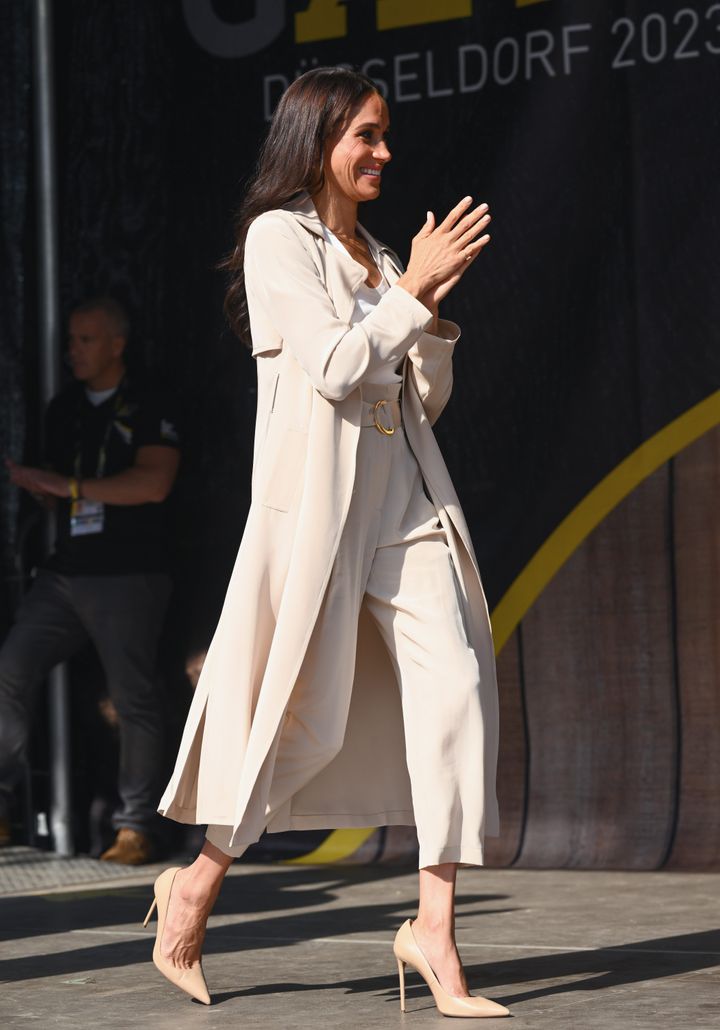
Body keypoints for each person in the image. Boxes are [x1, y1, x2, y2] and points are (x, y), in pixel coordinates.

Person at [149, 67, 508, 1018]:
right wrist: (411, 292)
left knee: (459, 691)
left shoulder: (381, 255)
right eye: (367, 136)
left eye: (385, 135)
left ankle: (434, 929)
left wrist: (430, 311)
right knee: (296, 720)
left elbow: (419, 399)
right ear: (318, 142)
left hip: (406, 507)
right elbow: (339, 368)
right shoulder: (279, 239)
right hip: (321, 516)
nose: (385, 152)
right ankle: (194, 885)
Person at [1, 297, 181, 864]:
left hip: (129, 572)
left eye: (85, 340)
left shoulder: (150, 398)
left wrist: (71, 488)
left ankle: (135, 826)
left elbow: (154, 483)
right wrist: (41, 487)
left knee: (132, 697)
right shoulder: (64, 408)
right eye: (70, 341)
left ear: (116, 345)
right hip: (65, 570)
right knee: (10, 669)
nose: (72, 351)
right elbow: (56, 485)